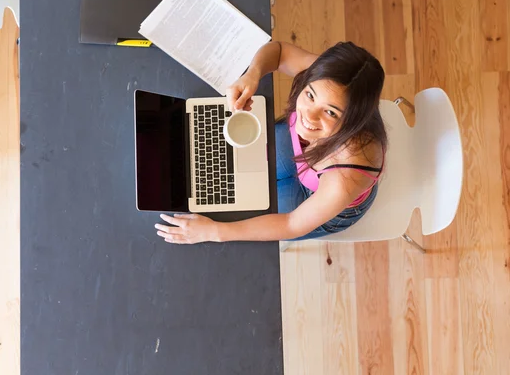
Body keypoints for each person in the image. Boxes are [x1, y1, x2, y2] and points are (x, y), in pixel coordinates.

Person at [154, 41, 387, 244]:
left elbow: (292, 224)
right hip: (305, 158)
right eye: (310, 95)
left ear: (354, 119)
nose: (309, 117)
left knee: (238, 214)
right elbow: (279, 52)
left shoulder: (349, 172)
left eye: (331, 112)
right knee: (234, 182)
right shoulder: (329, 78)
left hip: (324, 202)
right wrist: (252, 74)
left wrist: (215, 232)